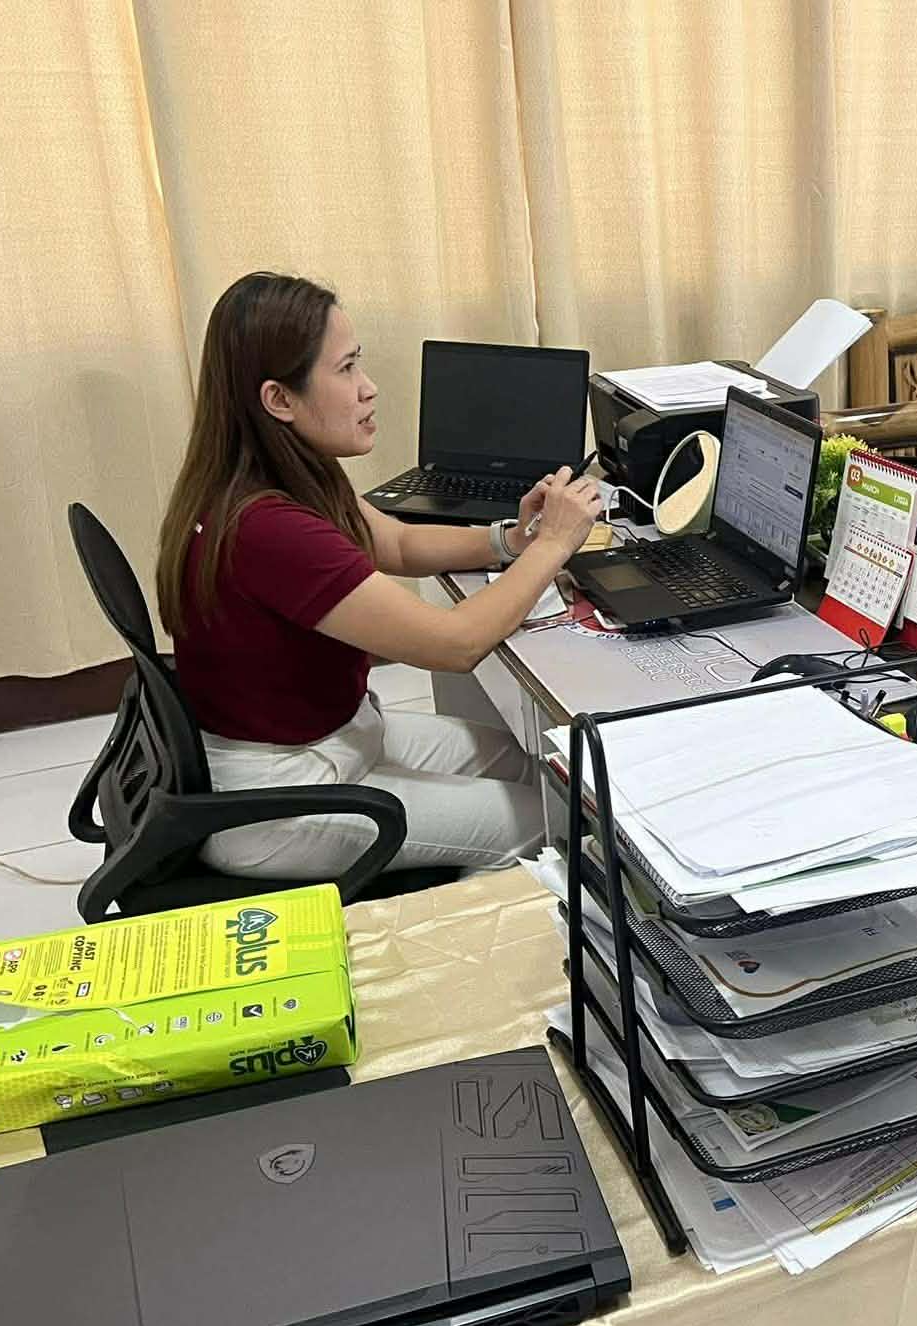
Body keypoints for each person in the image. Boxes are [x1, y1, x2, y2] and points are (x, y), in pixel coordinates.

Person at [155, 272, 602, 878]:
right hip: (279, 800)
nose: (368, 388)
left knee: (544, 769)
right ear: (279, 399)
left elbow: (394, 541)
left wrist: (509, 540)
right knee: (550, 823)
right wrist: (553, 545)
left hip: (337, 738)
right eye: (345, 370)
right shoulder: (268, 528)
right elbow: (454, 644)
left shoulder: (281, 470)